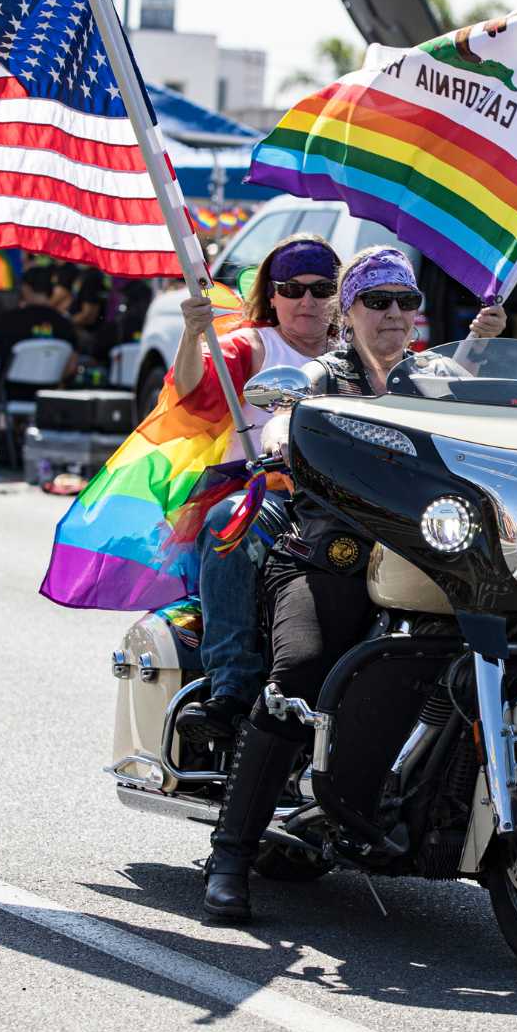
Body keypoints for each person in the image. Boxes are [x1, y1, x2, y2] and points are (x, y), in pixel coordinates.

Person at [201, 246, 505, 922]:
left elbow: (495, 426)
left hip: (428, 565)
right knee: (299, 674)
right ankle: (231, 856)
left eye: (406, 300)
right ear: (349, 311)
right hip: (328, 557)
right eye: (377, 301)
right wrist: (288, 426)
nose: (393, 314)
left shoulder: (437, 377)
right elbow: (286, 407)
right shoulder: (325, 374)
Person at [170, 234, 344, 741]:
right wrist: (190, 334)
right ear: (272, 295)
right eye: (292, 289)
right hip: (263, 496)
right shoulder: (252, 345)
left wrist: (477, 349)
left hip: (346, 501)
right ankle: (231, 688)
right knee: (229, 524)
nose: (306, 301)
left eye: (321, 288)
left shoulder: (358, 349)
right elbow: (189, 390)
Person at [0, 264, 78, 388]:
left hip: (8, 393)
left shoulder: (9, 319)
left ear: (25, 288)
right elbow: (72, 365)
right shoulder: (65, 324)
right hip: (47, 395)